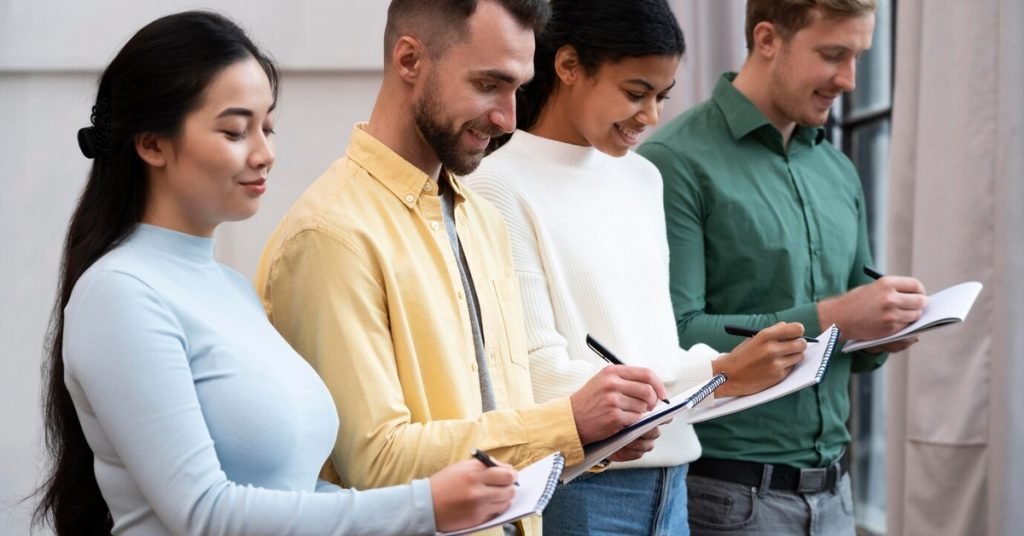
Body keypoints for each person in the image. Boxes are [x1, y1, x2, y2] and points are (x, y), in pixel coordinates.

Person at [33, 11, 520, 536]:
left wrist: (440, 506)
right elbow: (203, 514)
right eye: (235, 130)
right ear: (152, 144)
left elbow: (294, 493)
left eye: (267, 126)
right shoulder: (119, 294)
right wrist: (421, 506)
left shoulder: (229, 288)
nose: (265, 154)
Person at [255, 2, 672, 534]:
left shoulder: (480, 217)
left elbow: (503, 425)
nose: (508, 118)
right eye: (487, 84)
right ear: (409, 60)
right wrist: (567, 422)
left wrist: (590, 438)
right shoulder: (331, 235)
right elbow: (376, 465)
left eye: (518, 88)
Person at [462, 1, 811, 533]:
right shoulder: (496, 184)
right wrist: (716, 375)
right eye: (635, 92)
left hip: (674, 485)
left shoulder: (644, 180)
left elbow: (655, 349)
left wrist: (732, 373)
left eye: (662, 96)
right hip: (580, 490)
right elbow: (534, 376)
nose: (651, 117)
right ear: (569, 66)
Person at [638, 0, 929, 533]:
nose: (848, 79)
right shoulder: (673, 161)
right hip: (727, 500)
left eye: (859, 57)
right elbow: (674, 339)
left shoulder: (837, 169)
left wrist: (880, 333)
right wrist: (836, 315)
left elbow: (850, 351)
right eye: (833, 54)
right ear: (768, 39)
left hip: (836, 495)